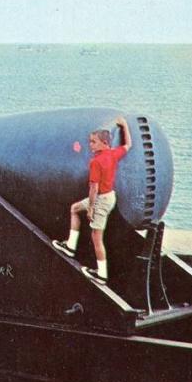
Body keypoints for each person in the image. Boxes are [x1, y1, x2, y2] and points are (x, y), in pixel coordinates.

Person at [52, 116, 132, 284]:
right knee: (74, 208)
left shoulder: (96, 162)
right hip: (109, 196)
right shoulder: (112, 154)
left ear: (104, 143)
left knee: (97, 237)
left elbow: (94, 188)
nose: (90, 145)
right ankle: (70, 246)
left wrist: (91, 208)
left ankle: (101, 274)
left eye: (94, 142)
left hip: (100, 200)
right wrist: (124, 125)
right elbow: (128, 145)